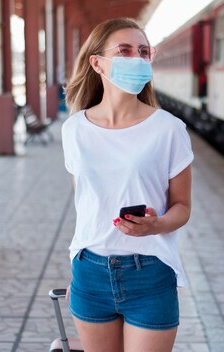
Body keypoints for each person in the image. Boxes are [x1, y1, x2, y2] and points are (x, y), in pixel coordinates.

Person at [61, 17, 194, 352]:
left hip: (150, 274)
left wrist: (157, 225)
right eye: (125, 50)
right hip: (90, 273)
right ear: (97, 63)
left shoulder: (169, 129)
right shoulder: (74, 129)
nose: (137, 58)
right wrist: (79, 262)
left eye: (144, 52)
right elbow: (87, 203)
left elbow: (183, 206)